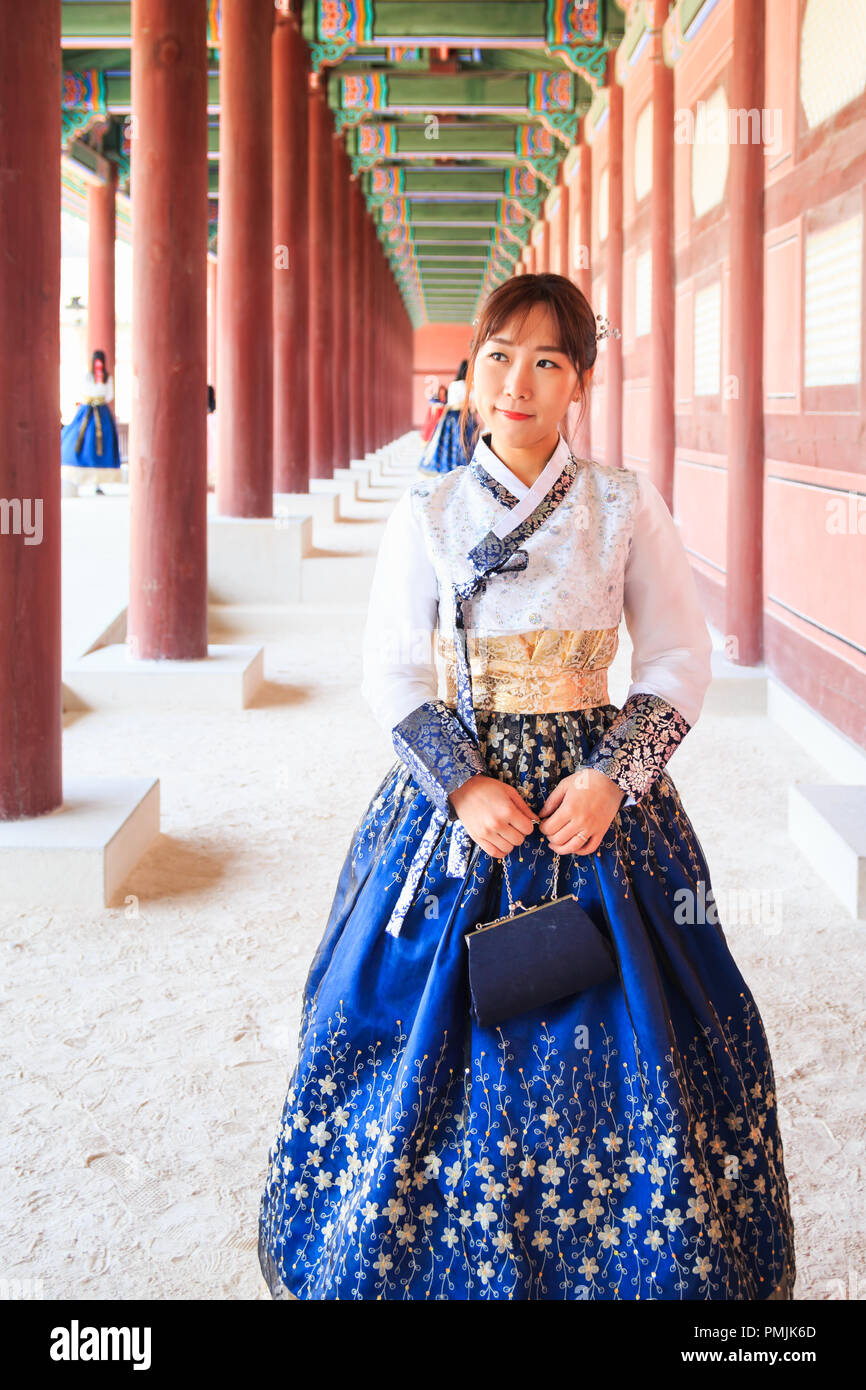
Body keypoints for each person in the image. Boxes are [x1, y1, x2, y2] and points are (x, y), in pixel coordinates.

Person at [257, 272, 796, 1301]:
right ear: (471, 373)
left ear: (578, 383)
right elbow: (392, 671)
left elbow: (676, 659)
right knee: (396, 1025)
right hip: (460, 812)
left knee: (649, 1039)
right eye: (499, 356)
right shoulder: (427, 509)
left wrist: (612, 778)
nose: (517, 381)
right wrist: (459, 786)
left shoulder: (622, 503)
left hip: (598, 809)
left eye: (547, 361)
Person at [60, 349, 121, 488]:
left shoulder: (107, 378)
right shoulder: (87, 377)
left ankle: (98, 483)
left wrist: (100, 388)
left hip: (101, 410)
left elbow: (109, 395)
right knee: (82, 441)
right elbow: (83, 391)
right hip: (87, 411)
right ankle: (78, 476)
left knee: (102, 445)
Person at [418, 358, 478, 474]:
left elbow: (451, 402)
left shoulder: (453, 385)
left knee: (450, 443)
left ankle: (450, 467)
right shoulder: (468, 386)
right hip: (464, 417)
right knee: (465, 443)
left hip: (451, 417)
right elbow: (473, 404)